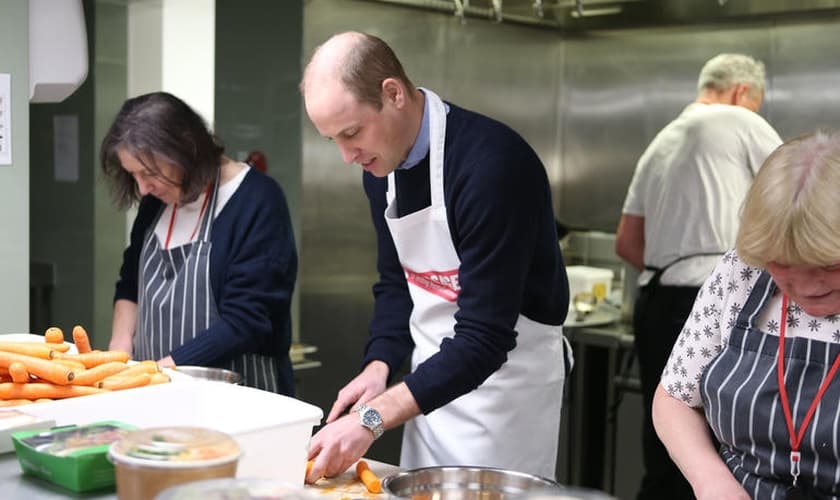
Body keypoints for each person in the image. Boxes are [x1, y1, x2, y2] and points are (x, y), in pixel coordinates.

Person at [299, 31, 572, 481]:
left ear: (393, 93)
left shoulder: (492, 166)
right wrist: (380, 363)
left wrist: (371, 419)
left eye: (352, 133)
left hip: (503, 400)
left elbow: (485, 339)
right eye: (334, 141)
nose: (348, 156)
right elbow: (397, 283)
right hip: (425, 395)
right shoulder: (380, 169)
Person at [614, 53, 783, 499]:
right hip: (713, 303)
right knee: (716, 448)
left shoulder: (662, 140)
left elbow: (628, 242)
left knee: (668, 444)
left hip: (656, 303)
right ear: (741, 92)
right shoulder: (738, 120)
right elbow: (799, 192)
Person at [653, 130, 840, 500]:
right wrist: (709, 479)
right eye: (782, 264)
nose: (807, 285)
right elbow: (675, 396)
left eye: (828, 264)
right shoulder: (742, 272)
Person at [101, 91, 297, 395]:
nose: (143, 187)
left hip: (239, 399)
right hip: (156, 391)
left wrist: (159, 372)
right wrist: (121, 351)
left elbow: (246, 321)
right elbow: (130, 285)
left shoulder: (257, 201)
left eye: (149, 173)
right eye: (133, 175)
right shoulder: (156, 202)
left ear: (187, 148)